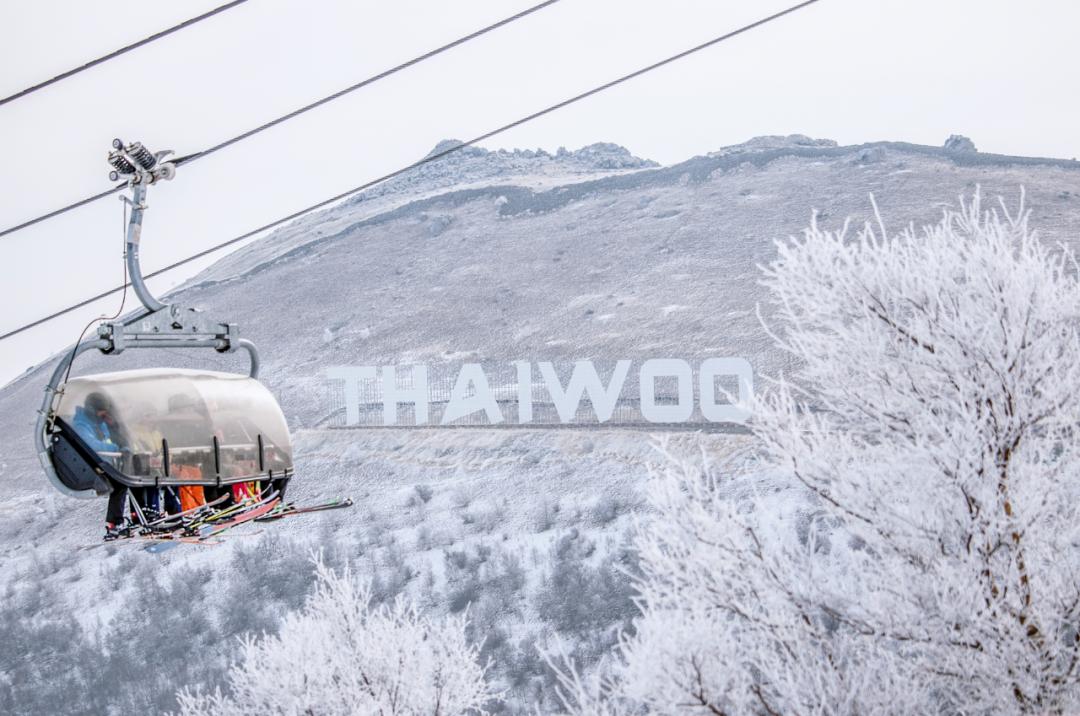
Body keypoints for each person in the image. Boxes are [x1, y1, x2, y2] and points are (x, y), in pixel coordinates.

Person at [72, 392, 130, 540]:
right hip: (88, 468)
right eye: (101, 412)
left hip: (105, 465)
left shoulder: (101, 423)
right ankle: (114, 524)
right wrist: (117, 449)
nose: (103, 415)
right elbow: (91, 444)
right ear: (92, 409)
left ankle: (138, 517)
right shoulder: (81, 424)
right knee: (120, 484)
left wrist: (114, 426)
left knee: (131, 479)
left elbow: (111, 440)